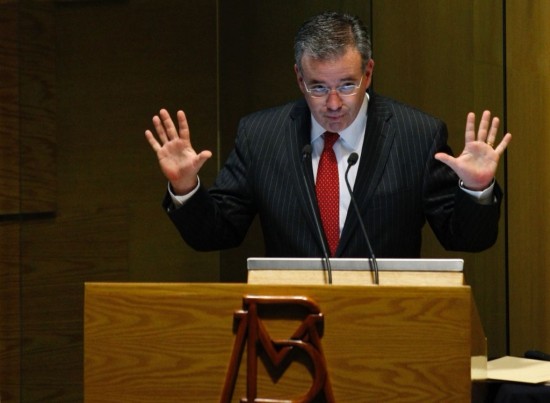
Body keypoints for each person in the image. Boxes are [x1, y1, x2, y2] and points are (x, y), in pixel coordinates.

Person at [145, 11, 511, 259]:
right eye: (318, 87)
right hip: (293, 327)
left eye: (347, 85)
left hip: (385, 324)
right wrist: (185, 188)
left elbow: (466, 240)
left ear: (368, 73)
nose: (333, 103)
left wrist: (476, 190)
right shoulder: (261, 136)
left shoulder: (416, 135)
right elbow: (217, 234)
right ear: (299, 78)